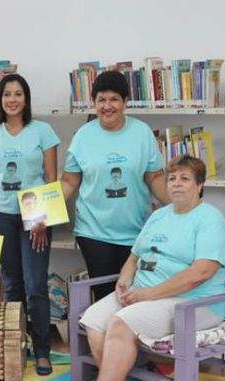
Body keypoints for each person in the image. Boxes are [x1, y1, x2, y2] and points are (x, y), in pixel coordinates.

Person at [58, 155, 225, 381]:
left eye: (185, 179)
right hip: (143, 294)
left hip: (192, 303)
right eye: (172, 178)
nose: (176, 184)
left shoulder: (210, 219)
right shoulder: (159, 215)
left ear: (200, 185)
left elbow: (200, 273)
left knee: (119, 323)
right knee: (93, 320)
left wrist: (148, 295)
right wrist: (124, 281)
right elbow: (134, 256)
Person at [0, 73, 60, 375]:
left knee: (36, 284)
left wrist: (43, 218)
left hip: (34, 216)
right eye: (7, 94)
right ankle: (17, 344)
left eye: (18, 94)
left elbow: (51, 179)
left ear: (26, 98)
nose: (12, 99)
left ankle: (42, 350)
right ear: (0, 100)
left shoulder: (43, 131)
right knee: (12, 285)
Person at [61, 70, 170, 302]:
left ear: (125, 102)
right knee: (105, 298)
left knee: (132, 297)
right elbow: (69, 181)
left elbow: (154, 177)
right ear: (94, 102)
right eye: (101, 99)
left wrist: (179, 206)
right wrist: (39, 213)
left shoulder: (142, 133)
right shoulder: (82, 136)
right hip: (93, 231)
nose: (107, 106)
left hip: (136, 231)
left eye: (114, 99)